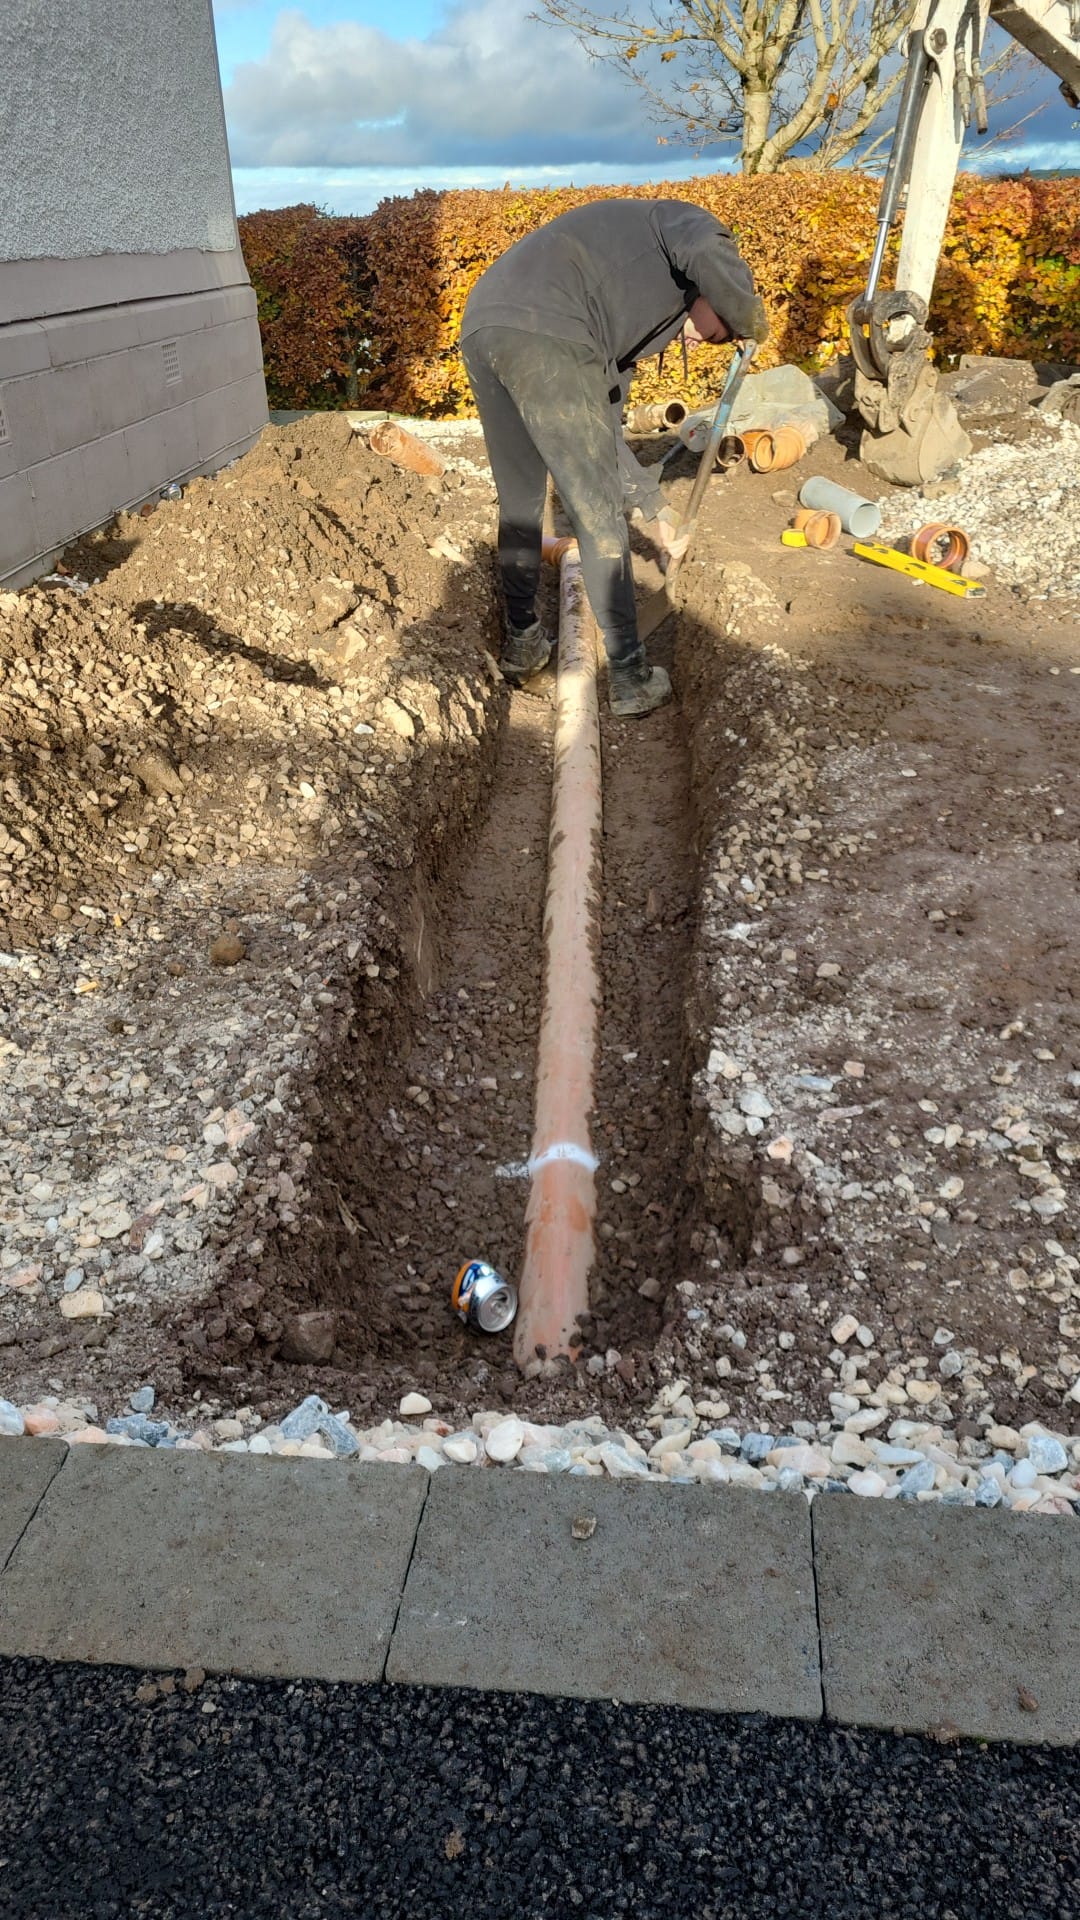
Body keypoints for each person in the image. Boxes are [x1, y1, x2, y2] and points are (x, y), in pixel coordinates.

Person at [460, 197, 763, 717]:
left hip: (484, 324)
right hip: (548, 325)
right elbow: (705, 243)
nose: (707, 340)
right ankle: (629, 675)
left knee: (520, 501)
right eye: (717, 330)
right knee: (596, 508)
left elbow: (604, 436)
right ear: (712, 291)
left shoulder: (618, 310)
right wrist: (750, 319)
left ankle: (523, 644)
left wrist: (656, 508)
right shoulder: (685, 226)